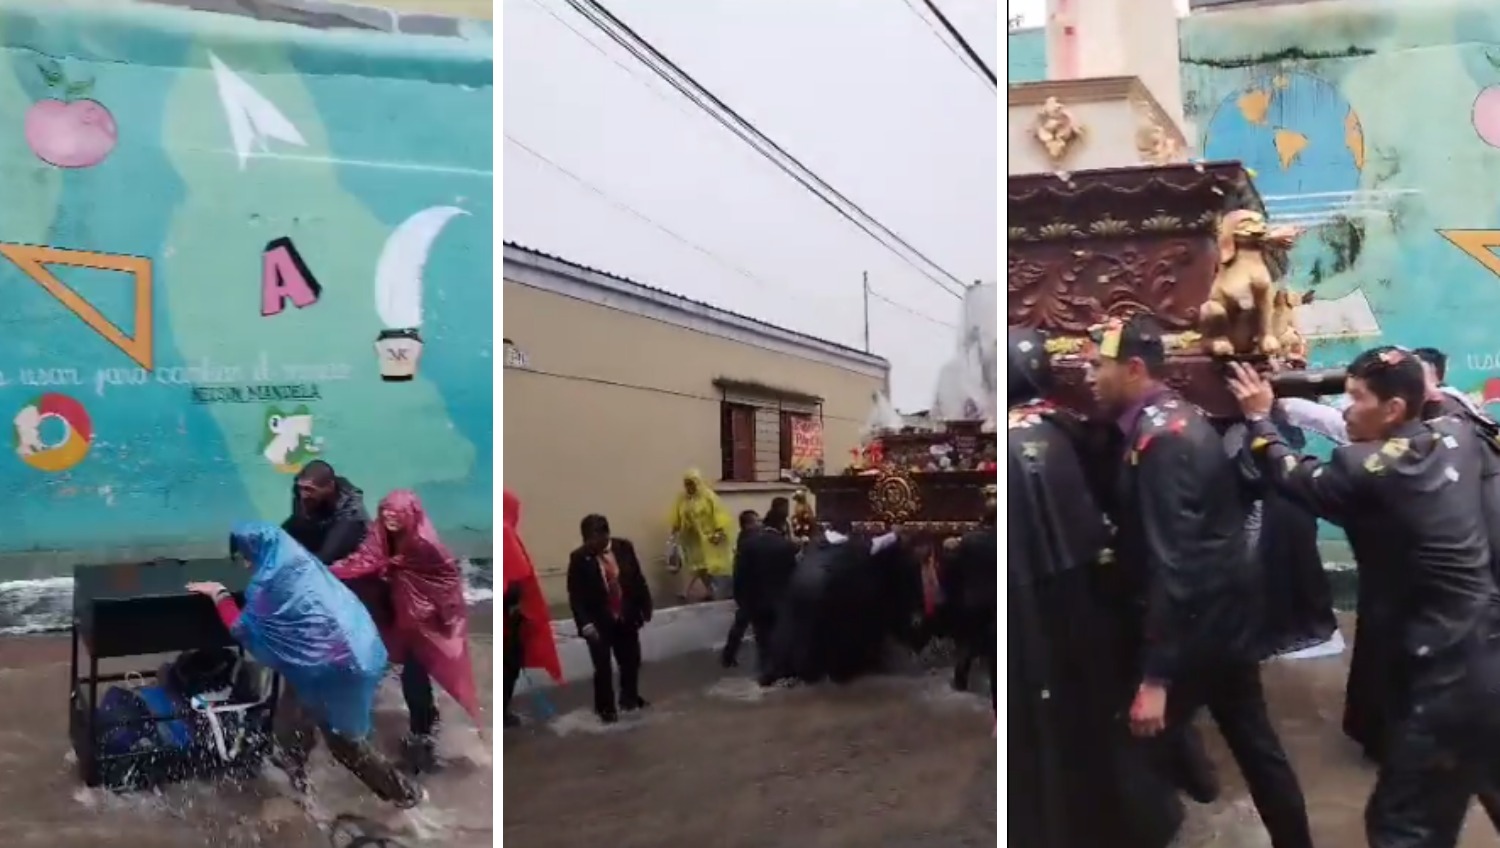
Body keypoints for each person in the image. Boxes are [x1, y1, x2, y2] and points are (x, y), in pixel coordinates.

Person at [1227, 351, 1500, 848]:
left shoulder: (1363, 469)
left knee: (1402, 827)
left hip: (1444, 676)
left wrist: (1258, 417)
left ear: (1394, 409)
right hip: (1488, 650)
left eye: (1356, 398)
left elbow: (1290, 472)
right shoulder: (1461, 435)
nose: (1347, 410)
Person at [1087, 315, 1313, 848]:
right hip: (1222, 621)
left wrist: (1158, 678)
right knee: (1257, 750)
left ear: (1134, 368)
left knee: (1131, 755)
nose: (1089, 377)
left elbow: (1179, 559)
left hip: (1197, 634)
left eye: (1098, 366)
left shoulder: (1164, 439)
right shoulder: (1172, 422)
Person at [1006, 325, 1182, 848]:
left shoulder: (1025, 439)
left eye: (1096, 365)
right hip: (1094, 601)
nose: (1089, 374)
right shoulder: (1077, 428)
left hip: (1040, 611)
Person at [188, 522, 422, 807]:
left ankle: (405, 796)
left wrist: (219, 594)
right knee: (294, 717)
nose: (246, 563)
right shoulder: (299, 561)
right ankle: (297, 777)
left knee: (342, 742)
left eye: (246, 555)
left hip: (329, 668)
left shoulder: (269, 584)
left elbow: (243, 630)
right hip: (358, 645)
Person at [329, 491, 482, 772]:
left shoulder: (425, 545)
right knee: (401, 676)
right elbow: (363, 560)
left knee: (415, 681)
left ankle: (424, 738)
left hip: (425, 625)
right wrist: (329, 571)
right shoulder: (380, 536)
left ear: (410, 515)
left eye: (395, 514)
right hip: (401, 617)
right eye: (385, 512)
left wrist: (443, 619)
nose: (389, 518)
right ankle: (423, 732)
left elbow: (447, 581)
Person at [567, 514, 653, 723]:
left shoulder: (624, 548)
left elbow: (637, 578)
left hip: (626, 616)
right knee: (603, 666)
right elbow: (575, 595)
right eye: (586, 539)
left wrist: (645, 607)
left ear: (606, 535)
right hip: (598, 622)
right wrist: (585, 624)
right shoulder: (579, 557)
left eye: (593, 539)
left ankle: (629, 699)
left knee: (631, 660)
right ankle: (606, 709)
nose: (590, 545)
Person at [500, 490, 563, 727]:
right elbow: (518, 576)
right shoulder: (505, 534)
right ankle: (503, 712)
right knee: (509, 665)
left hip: (508, 616)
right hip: (510, 618)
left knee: (508, 665)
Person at [725, 508, 800, 679]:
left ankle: (764, 673)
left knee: (762, 639)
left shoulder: (748, 545)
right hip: (780, 601)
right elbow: (793, 575)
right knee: (780, 636)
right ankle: (782, 672)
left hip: (756, 601)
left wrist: (741, 598)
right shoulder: (786, 546)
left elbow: (740, 574)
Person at [668, 470, 735, 601]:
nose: (689, 487)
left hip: (710, 539)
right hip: (693, 539)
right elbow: (677, 515)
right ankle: (698, 591)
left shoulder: (709, 497)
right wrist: (675, 530)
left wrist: (719, 532)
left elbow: (720, 514)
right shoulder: (683, 499)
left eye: (692, 484)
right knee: (696, 565)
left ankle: (711, 591)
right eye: (687, 484)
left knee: (708, 567)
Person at [721, 510, 760, 668]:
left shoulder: (744, 539)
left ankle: (728, 656)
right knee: (745, 624)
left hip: (745, 589)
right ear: (748, 524)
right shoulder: (749, 541)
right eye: (756, 521)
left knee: (745, 624)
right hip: (750, 590)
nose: (759, 524)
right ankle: (728, 657)